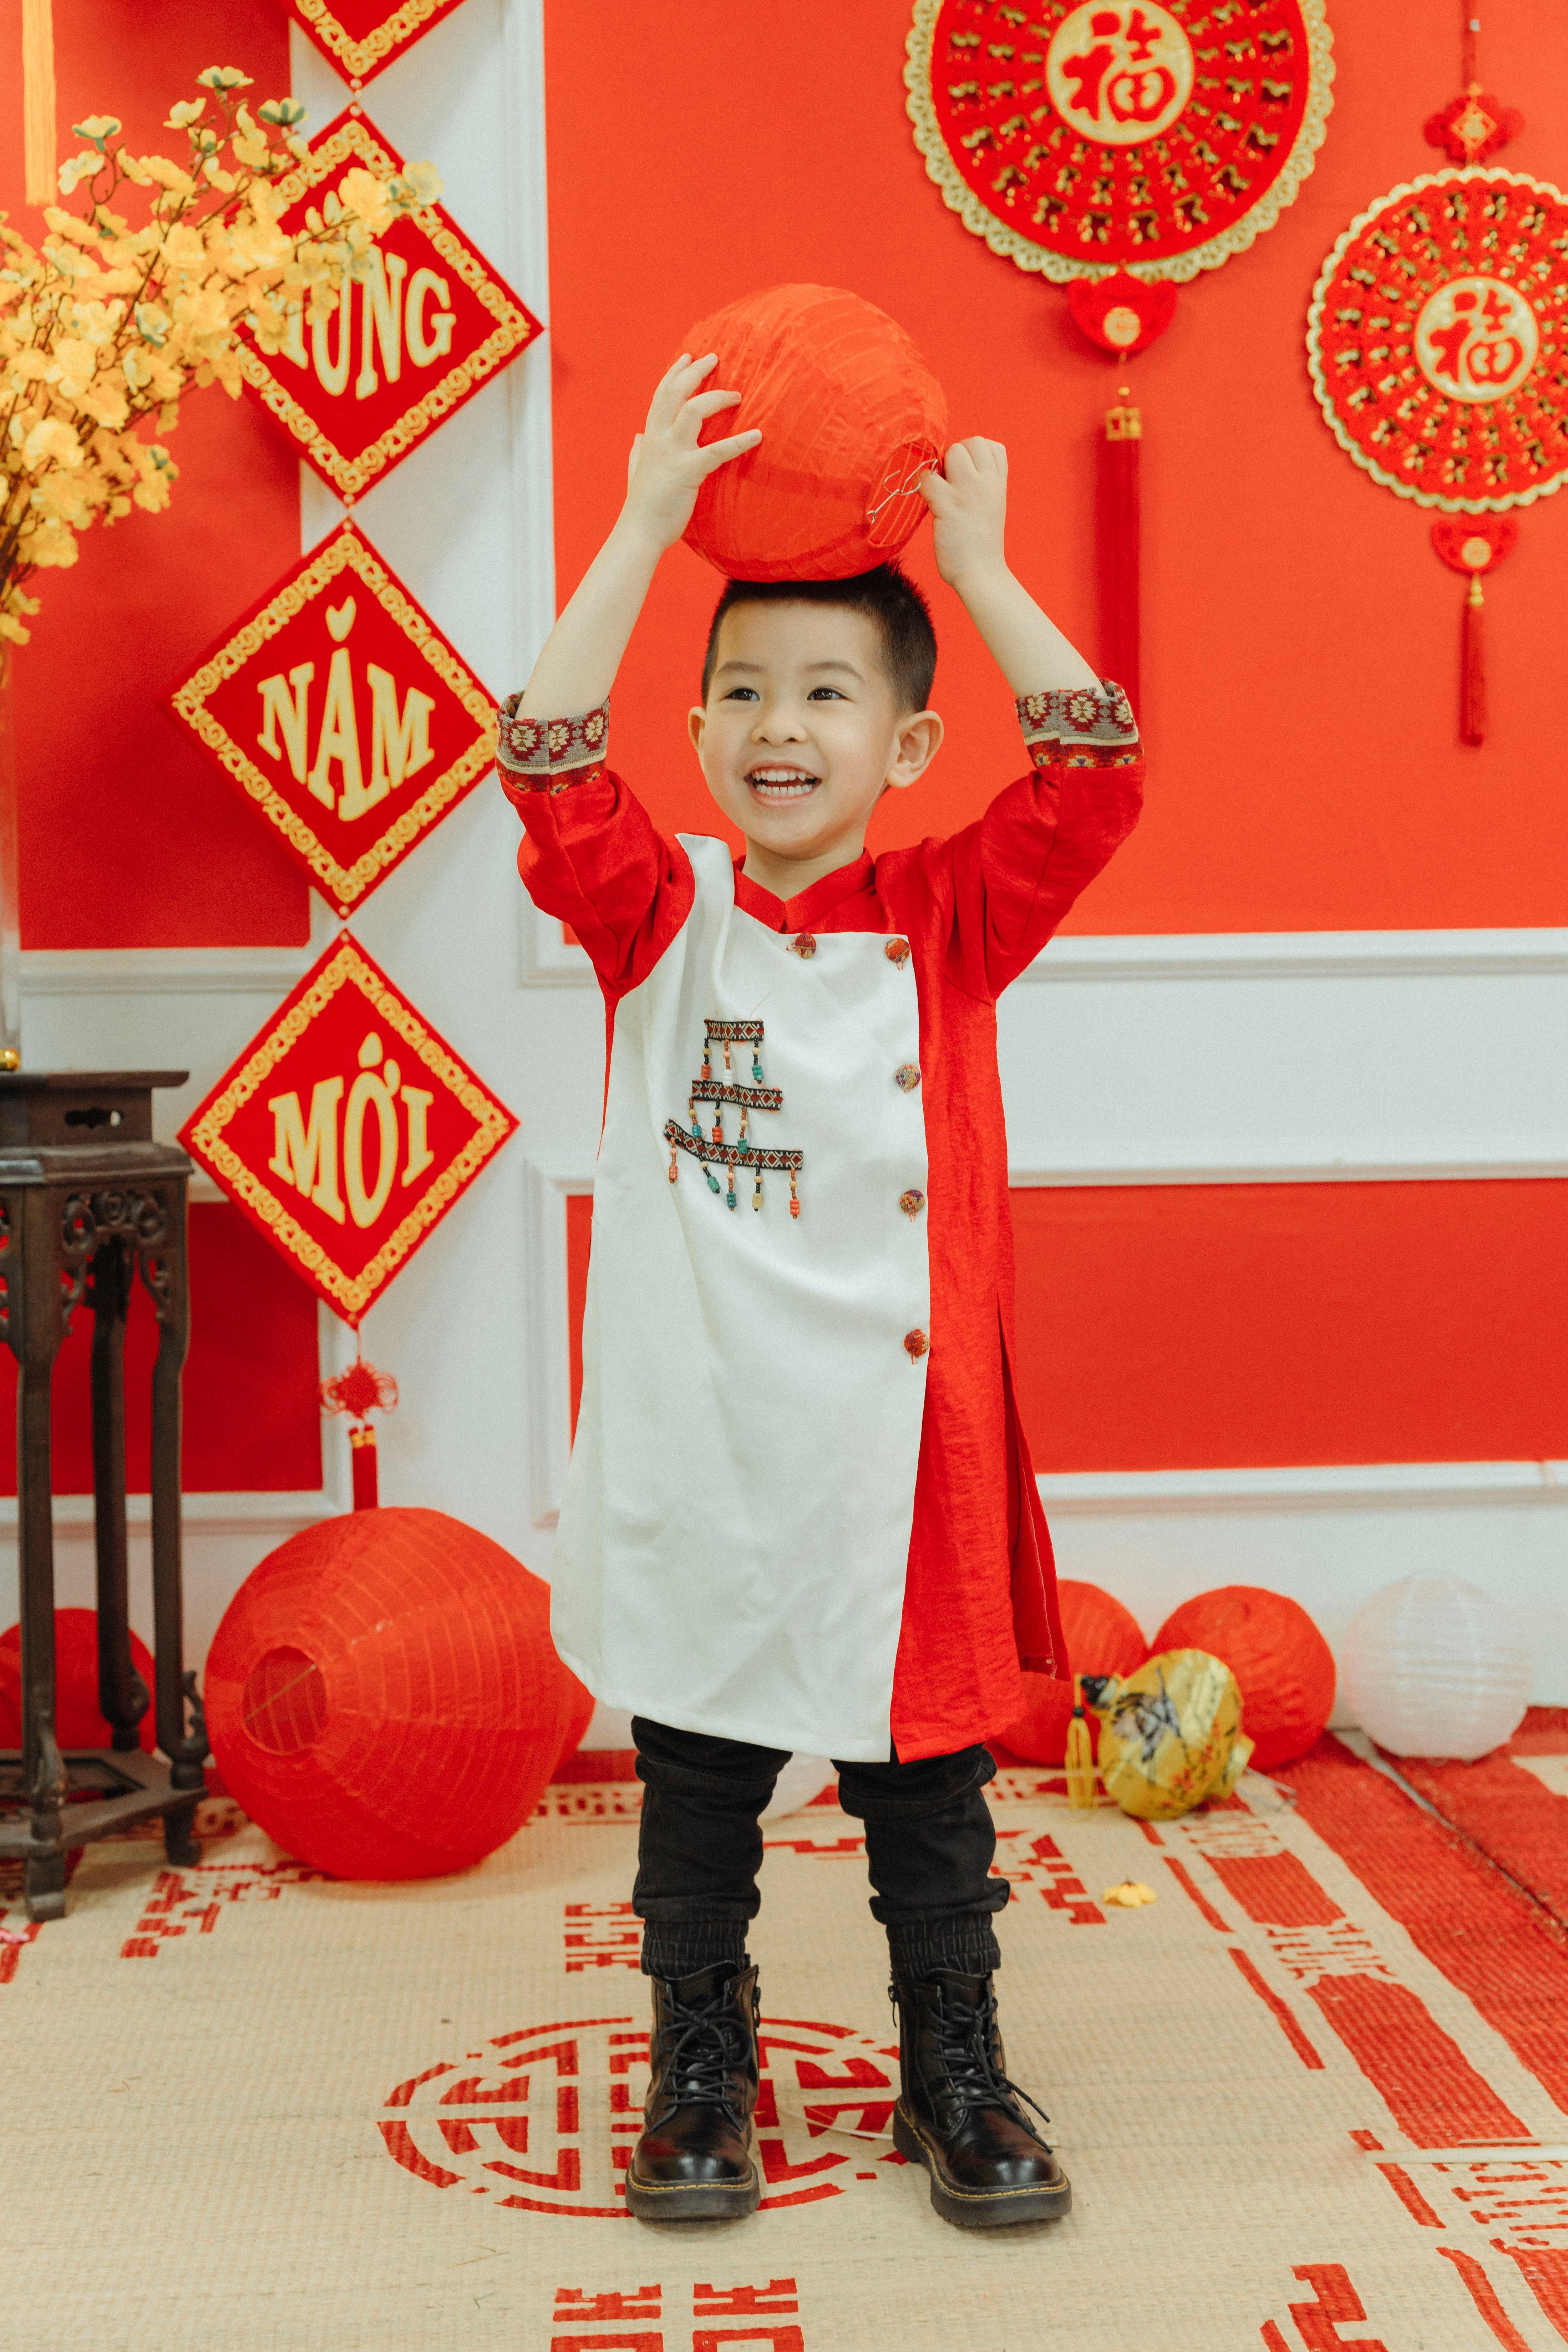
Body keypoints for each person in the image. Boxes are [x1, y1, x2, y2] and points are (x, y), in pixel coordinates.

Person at [497, 352, 1143, 2228]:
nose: (784, 727)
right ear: (699, 731)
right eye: (748, 695)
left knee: (924, 1791)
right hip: (706, 1435)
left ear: (907, 746)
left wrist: (984, 568)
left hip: (898, 1447)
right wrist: (637, 525)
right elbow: (541, 752)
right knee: (696, 1784)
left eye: (830, 694)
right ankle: (703, 2047)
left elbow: (1097, 770)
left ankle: (953, 2053)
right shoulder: (657, 916)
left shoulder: (949, 917)